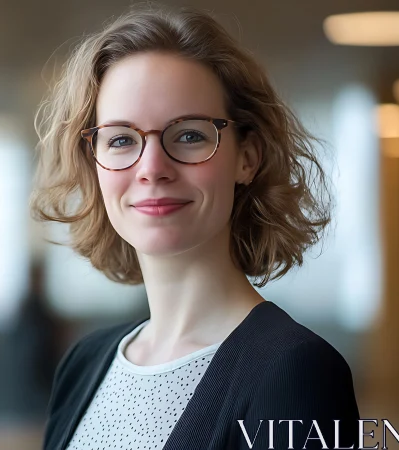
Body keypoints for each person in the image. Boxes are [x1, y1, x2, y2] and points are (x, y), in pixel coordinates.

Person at [30, 5, 360, 450]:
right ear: (94, 162)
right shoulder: (84, 364)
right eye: (122, 139)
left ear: (247, 157)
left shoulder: (295, 372)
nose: (151, 169)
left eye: (188, 135)